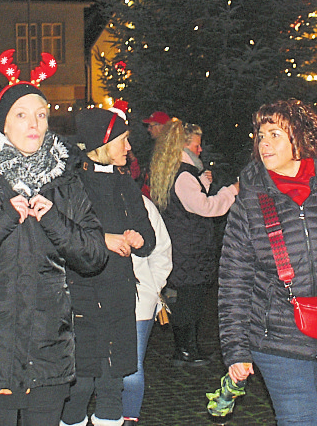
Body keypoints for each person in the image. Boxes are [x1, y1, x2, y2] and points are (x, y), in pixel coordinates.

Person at [0, 78, 108, 426]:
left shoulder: (65, 181)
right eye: (22, 114)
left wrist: (54, 220)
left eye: (41, 115)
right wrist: (5, 217)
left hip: (48, 349)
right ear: (3, 124)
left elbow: (94, 255)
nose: (34, 124)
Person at [219, 99, 317, 426]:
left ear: (301, 138)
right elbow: (234, 280)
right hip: (279, 341)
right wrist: (236, 349)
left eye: (274, 134)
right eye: (260, 135)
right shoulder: (249, 203)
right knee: (299, 420)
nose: (263, 143)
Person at [60, 107, 156, 426]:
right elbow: (60, 235)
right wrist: (105, 239)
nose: (129, 148)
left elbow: (148, 235)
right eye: (123, 140)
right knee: (80, 386)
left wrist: (139, 238)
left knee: (113, 383)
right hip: (82, 299)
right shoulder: (71, 184)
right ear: (103, 143)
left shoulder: (125, 183)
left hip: (118, 297)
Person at [150, 119, 237, 366]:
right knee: (191, 299)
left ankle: (189, 346)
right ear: (186, 146)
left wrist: (204, 183)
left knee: (190, 298)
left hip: (185, 245)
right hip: (190, 248)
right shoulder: (184, 176)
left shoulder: (177, 173)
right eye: (197, 145)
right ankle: (186, 349)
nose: (201, 150)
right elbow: (205, 207)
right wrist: (230, 191)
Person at [122, 193, 172, 425]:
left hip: (139, 301)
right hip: (95, 300)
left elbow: (162, 250)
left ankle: (129, 418)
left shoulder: (140, 203)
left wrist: (152, 288)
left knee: (132, 369)